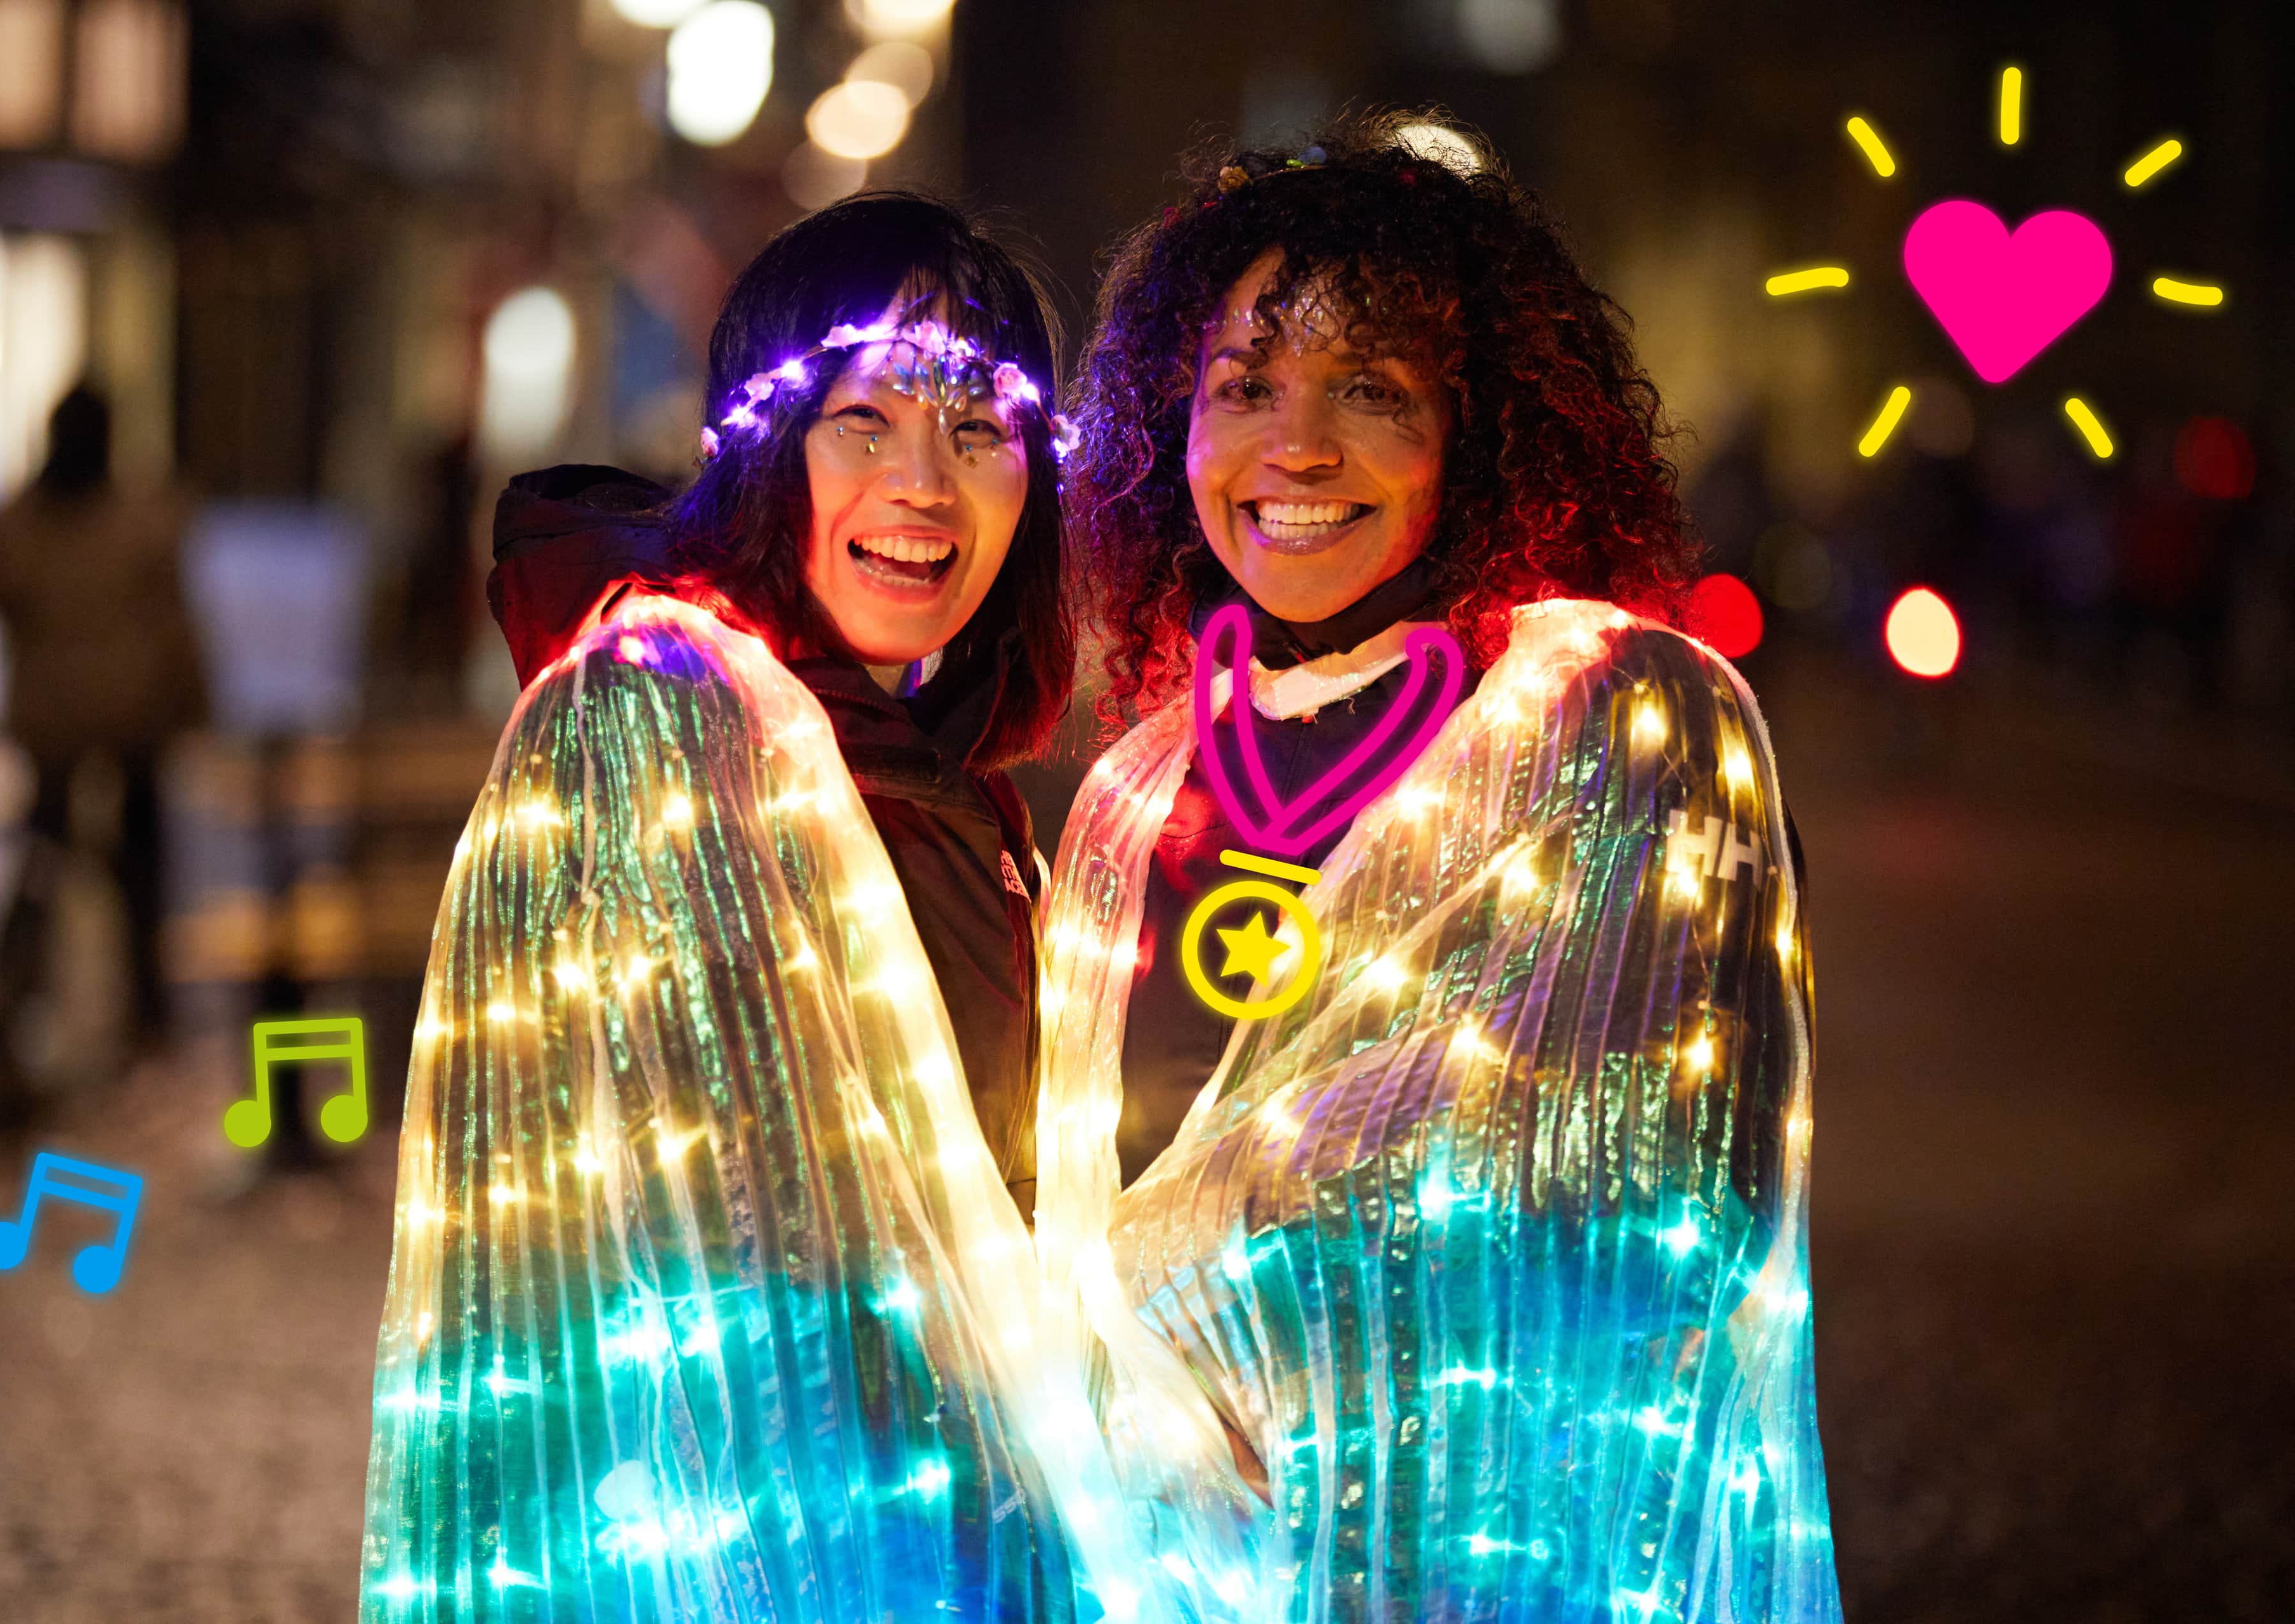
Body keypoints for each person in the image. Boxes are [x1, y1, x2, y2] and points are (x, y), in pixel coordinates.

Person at [1032, 117, 1842, 1620]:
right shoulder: (1132, 798)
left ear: (1480, 435)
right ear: (1169, 430)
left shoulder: (1621, 718)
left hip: (1491, 1558)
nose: (1297, 448)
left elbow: (1672, 1186)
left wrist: (1228, 1283)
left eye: (1372, 391)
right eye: (1244, 387)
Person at [360, 195, 1163, 1623]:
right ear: (764, 445)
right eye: (865, 421)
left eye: (979, 431)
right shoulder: (661, 724)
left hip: (951, 1543)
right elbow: (711, 1258)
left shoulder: (952, 787)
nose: (925, 484)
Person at [0, 386, 204, 1057]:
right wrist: (192, 701)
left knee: (42, 863)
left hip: (55, 714)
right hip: (130, 711)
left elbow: (0, 591)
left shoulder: (26, 523)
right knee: (135, 869)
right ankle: (148, 1009)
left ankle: (14, 999)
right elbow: (174, 622)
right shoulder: (140, 521)